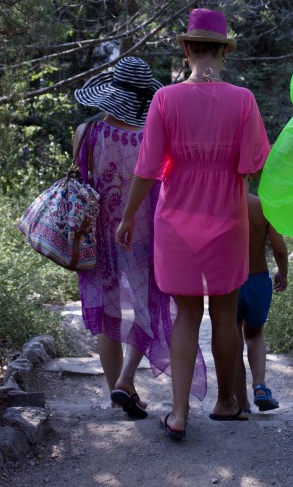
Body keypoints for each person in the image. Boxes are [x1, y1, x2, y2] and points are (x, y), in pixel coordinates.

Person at [116, 8, 270, 440]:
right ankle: (226, 402)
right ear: (224, 52)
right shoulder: (243, 100)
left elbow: (147, 167)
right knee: (224, 316)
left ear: (186, 49)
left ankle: (179, 411)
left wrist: (129, 216)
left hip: (176, 219)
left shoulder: (164, 99)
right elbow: (254, 163)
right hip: (227, 216)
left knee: (185, 315)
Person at [72, 56, 205, 419]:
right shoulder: (154, 137)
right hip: (147, 233)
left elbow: (83, 182)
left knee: (108, 313)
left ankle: (118, 387)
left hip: (99, 234)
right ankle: (126, 380)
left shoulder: (86, 132)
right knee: (153, 309)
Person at [235, 192, 288, 414]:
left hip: (230, 283)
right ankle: (260, 387)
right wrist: (282, 274)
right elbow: (279, 248)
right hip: (258, 281)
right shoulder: (263, 205)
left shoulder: (221, 203)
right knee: (254, 335)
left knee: (232, 337)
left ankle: (241, 402)